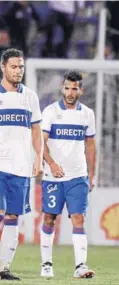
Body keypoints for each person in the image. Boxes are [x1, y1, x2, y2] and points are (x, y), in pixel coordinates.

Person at [0, 48, 43, 281]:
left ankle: (4, 268)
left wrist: (38, 159)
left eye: (21, 66)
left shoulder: (30, 96)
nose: (18, 71)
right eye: (14, 66)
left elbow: (36, 131)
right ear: (3, 67)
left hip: (21, 168)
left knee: (13, 216)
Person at [39, 71, 96, 279]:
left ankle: (80, 266)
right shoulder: (51, 112)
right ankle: (46, 264)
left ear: (81, 90)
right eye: (67, 88)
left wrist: (92, 175)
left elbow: (91, 145)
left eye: (74, 88)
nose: (70, 92)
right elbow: (41, 142)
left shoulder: (87, 114)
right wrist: (52, 163)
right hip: (53, 177)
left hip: (77, 176)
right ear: (62, 88)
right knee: (49, 218)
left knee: (79, 218)